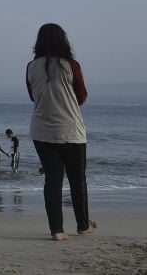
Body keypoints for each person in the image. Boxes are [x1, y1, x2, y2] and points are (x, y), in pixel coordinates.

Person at [26, 23, 95, 241]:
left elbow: (32, 96)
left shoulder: (30, 66)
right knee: (77, 179)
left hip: (41, 130)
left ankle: (56, 230)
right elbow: (82, 96)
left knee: (53, 180)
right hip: (70, 129)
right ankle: (83, 225)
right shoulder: (71, 65)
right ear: (63, 40)